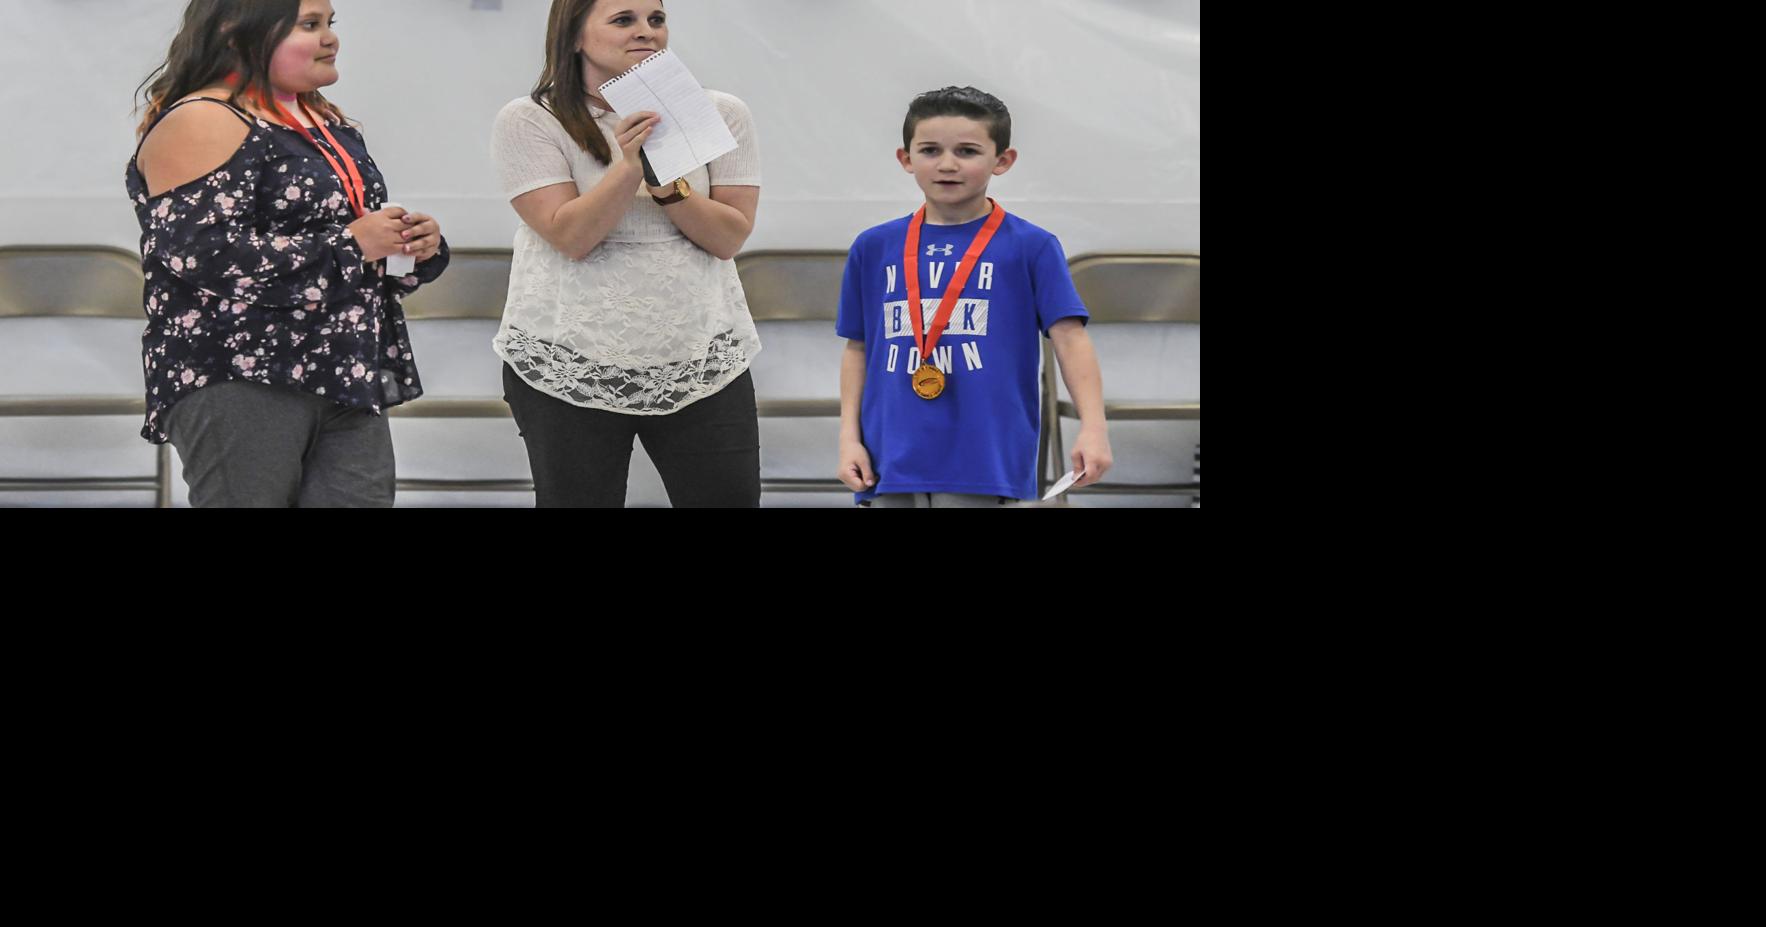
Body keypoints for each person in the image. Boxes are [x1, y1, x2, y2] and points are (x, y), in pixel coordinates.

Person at [129, 0, 448, 507]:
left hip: (342, 366)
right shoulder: (202, 118)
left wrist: (410, 245)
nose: (330, 39)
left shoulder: (324, 123)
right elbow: (202, 255)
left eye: (329, 24)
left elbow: (346, 242)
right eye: (309, 25)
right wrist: (354, 244)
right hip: (242, 372)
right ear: (236, 32)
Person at [490, 0, 764, 508]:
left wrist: (669, 188)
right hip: (570, 354)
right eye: (624, 20)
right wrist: (629, 165)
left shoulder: (722, 113)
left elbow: (728, 238)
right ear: (574, 36)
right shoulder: (530, 119)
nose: (646, 32)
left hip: (697, 351)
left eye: (656, 19)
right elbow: (571, 236)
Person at [835, 86, 1112, 507]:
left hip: (986, 454)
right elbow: (859, 348)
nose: (947, 164)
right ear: (905, 159)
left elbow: (1070, 339)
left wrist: (1094, 427)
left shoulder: (1031, 246)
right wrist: (848, 438)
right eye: (930, 150)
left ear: (1002, 160)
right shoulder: (874, 247)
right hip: (889, 453)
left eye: (967, 151)